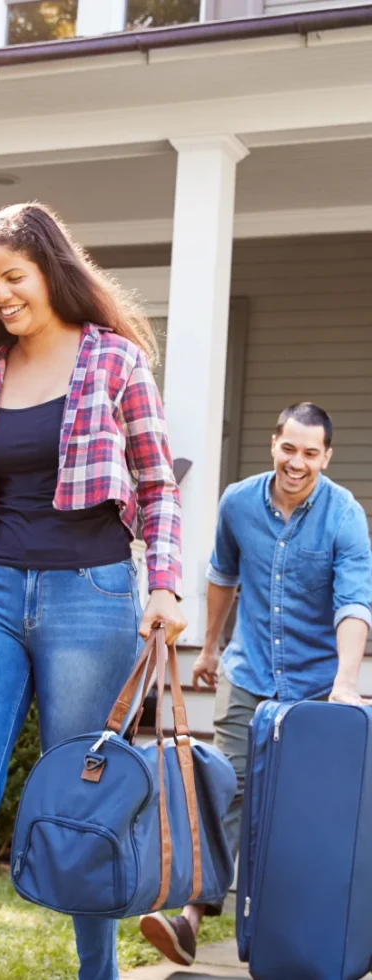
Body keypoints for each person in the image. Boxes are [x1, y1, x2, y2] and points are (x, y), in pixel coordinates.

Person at [0, 202, 185, 980]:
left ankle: (95, 972)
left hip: (91, 597)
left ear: (50, 270)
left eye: (12, 277)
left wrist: (163, 586)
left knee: (81, 803)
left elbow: (158, 485)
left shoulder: (115, 361)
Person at [140, 401, 372, 967]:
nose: (297, 462)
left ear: (327, 457)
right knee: (229, 787)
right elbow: (222, 575)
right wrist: (212, 648)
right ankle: (193, 917)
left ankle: (299, 929)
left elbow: (353, 602)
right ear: (274, 444)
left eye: (310, 453)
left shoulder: (344, 515)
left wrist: (346, 681)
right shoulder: (239, 502)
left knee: (308, 810)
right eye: (288, 448)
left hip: (317, 687)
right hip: (249, 676)